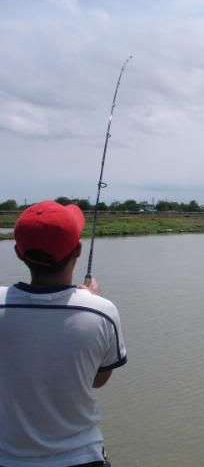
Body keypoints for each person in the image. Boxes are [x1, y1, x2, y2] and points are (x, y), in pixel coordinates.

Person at [0, 200, 127, 467]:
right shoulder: (102, 311)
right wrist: (89, 299)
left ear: (18, 252)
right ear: (78, 250)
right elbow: (97, 380)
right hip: (82, 458)